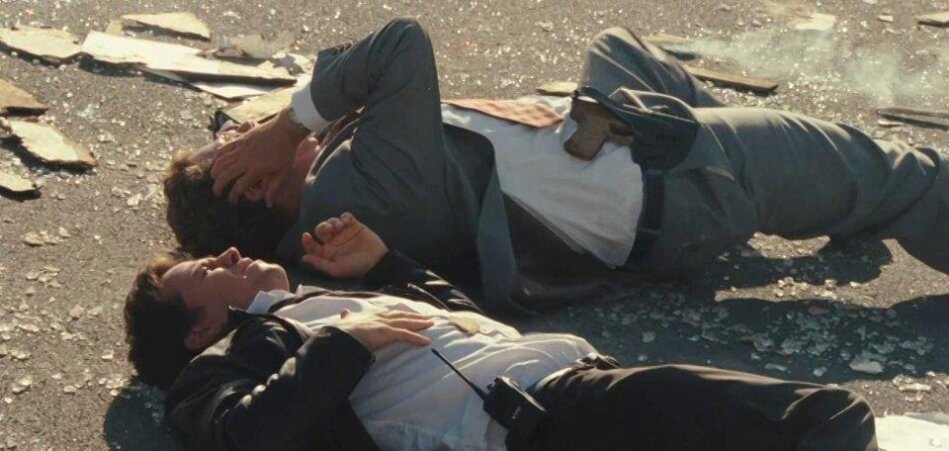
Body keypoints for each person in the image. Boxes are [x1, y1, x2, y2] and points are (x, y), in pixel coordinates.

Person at [165, 18, 948, 315]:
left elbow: (345, 58)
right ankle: (801, 183)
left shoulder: (337, 179)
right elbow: (398, 44)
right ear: (257, 182)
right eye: (236, 146)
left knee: (619, 48)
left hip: (614, 137)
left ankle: (800, 184)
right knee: (907, 176)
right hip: (674, 184)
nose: (245, 129)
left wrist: (289, 127)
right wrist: (286, 126)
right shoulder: (350, 187)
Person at [125, 213, 877, 450]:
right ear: (199, 330)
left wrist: (389, 266)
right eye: (204, 271)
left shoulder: (322, 305)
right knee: (827, 420)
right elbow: (240, 434)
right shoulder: (224, 362)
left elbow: (473, 331)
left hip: (573, 388)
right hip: (549, 414)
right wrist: (347, 339)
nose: (227, 253)